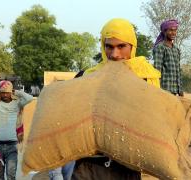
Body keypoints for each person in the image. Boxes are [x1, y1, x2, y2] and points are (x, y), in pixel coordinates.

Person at [71, 18, 161, 180]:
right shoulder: (86, 77)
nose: (114, 54)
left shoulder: (146, 79)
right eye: (109, 47)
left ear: (132, 46)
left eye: (121, 46)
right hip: (89, 167)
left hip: (127, 167)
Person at [0, 80, 33, 180]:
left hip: (12, 145)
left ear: (11, 92)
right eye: (2, 92)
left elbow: (30, 98)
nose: (5, 95)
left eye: (7, 92)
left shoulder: (17, 103)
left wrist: (16, 91)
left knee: (11, 175)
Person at [153, 19, 183, 96]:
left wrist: (181, 90)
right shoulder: (160, 48)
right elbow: (157, 70)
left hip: (175, 90)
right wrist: (157, 90)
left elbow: (178, 71)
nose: (173, 33)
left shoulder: (176, 49)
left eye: (175, 30)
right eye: (170, 30)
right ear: (164, 31)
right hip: (164, 89)